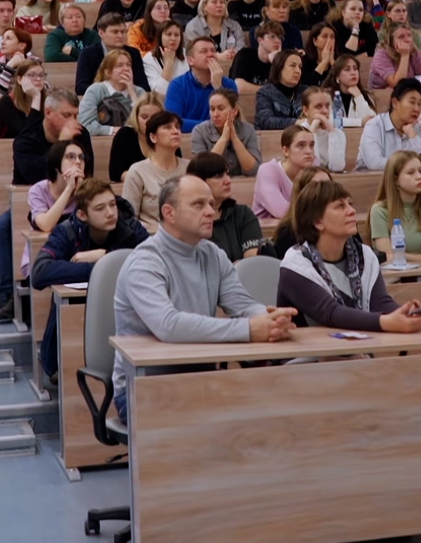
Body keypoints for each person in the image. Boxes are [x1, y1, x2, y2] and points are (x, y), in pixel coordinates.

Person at [111, 174, 294, 418]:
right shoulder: (145, 262)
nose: (210, 212)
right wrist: (249, 329)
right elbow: (168, 325)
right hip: (143, 388)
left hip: (201, 380)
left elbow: (242, 305)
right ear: (169, 213)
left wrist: (271, 320)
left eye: (211, 204)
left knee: (273, 406)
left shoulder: (213, 254)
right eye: (199, 205)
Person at [29, 177, 149, 377]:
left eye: (112, 204)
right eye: (100, 208)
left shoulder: (130, 225)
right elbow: (40, 273)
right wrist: (100, 268)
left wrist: (106, 256)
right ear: (82, 215)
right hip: (79, 314)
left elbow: (154, 260)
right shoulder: (65, 231)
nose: (110, 213)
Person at [277, 179, 421, 332]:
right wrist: (385, 322)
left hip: (358, 343)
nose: (351, 211)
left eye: (350, 204)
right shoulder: (295, 265)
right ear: (317, 221)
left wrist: (405, 313)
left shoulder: (365, 255)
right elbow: (331, 313)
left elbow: (380, 303)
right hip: (312, 346)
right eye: (340, 206)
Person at [120, 110, 187, 222]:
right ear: (153, 137)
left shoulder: (190, 168)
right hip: (150, 231)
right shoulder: (137, 171)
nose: (176, 131)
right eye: (167, 127)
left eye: (177, 127)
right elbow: (129, 218)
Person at [357, 78, 421, 172]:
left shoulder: (419, 130)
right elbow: (374, 163)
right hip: (375, 180)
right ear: (395, 103)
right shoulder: (374, 126)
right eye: (412, 102)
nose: (416, 109)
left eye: (419, 104)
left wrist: (412, 135)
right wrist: (410, 165)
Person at [189, 89, 260, 177]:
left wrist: (234, 138)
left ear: (235, 111)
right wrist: (224, 138)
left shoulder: (248, 130)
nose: (215, 114)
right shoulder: (199, 131)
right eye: (212, 109)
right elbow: (202, 171)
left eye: (221, 108)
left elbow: (253, 170)